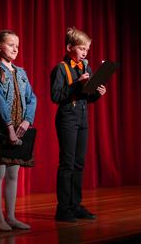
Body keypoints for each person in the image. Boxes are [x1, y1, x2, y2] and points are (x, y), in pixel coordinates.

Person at [50, 27, 106, 222]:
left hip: (82, 116)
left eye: (87, 49)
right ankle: (63, 208)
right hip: (67, 117)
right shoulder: (61, 68)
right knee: (67, 163)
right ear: (69, 47)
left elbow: (87, 98)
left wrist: (97, 92)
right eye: (81, 48)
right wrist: (75, 83)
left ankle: (75, 205)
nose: (84, 52)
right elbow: (55, 96)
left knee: (79, 163)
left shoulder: (86, 68)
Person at [0, 30, 37, 231]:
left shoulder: (21, 72)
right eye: (11, 44)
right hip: (2, 127)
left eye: (17, 45)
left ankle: (12, 217)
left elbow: (32, 97)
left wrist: (26, 121)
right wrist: (9, 129)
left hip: (19, 126)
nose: (15, 49)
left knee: (14, 173)